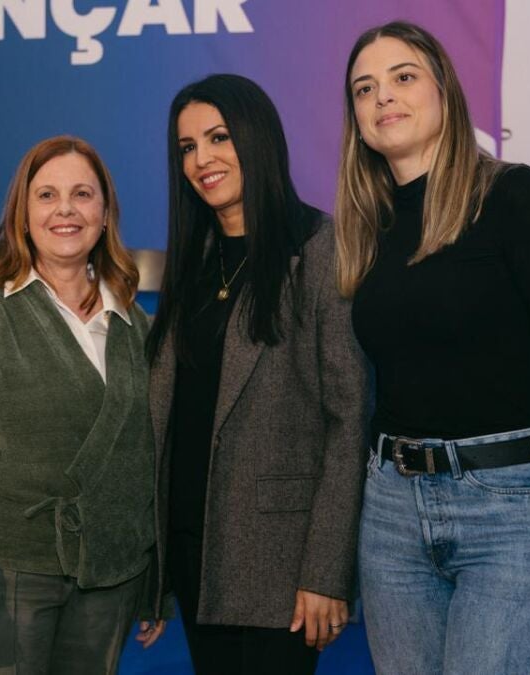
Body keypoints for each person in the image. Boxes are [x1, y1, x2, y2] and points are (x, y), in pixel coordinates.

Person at [336, 21, 530, 675]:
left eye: (403, 77)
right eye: (364, 88)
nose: (383, 97)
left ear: (444, 91)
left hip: (509, 510)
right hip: (392, 511)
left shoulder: (515, 197)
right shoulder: (366, 225)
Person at [146, 73, 371, 675]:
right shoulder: (193, 260)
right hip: (195, 549)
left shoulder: (322, 248)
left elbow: (350, 419)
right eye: (187, 147)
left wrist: (326, 572)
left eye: (218, 137)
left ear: (258, 137)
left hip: (282, 561)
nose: (202, 160)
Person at [0, 135, 163, 675]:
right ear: (23, 216)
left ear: (105, 214)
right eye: (47, 195)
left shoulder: (136, 325)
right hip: (6, 575)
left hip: (110, 578)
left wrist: (156, 584)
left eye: (82, 194)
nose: (65, 210)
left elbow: (148, 462)